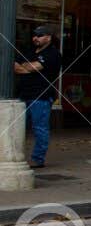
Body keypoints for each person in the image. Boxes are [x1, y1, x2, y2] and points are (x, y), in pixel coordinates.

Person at [13, 25, 63, 169]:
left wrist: (26, 67)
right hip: (23, 94)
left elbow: (30, 67)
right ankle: (16, 156)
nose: (36, 38)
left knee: (39, 128)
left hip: (41, 96)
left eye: (40, 35)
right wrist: (27, 67)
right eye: (34, 35)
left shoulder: (53, 54)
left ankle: (38, 159)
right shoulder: (30, 51)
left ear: (48, 37)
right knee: (17, 127)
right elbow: (16, 67)